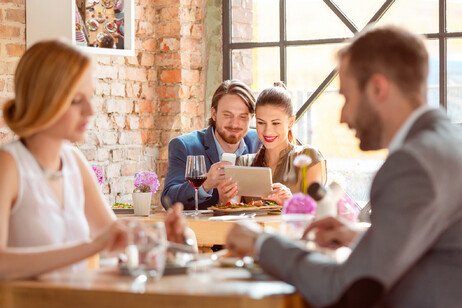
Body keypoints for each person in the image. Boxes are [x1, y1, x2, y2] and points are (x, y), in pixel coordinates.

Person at [226, 26, 462, 307]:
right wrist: (361, 235)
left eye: (347, 97)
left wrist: (261, 243)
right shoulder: (447, 143)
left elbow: (343, 287)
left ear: (378, 88)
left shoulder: (411, 165)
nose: (343, 116)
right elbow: (438, 242)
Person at [0, 39, 188, 281]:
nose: (90, 110)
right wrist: (92, 246)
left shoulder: (74, 162)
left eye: (90, 97)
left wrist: (162, 239)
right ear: (44, 99)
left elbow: (115, 237)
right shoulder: (8, 165)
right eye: (77, 99)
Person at [218, 81, 326, 205]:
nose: (267, 131)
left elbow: (319, 212)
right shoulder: (244, 163)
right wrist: (224, 199)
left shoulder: (309, 156)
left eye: (275, 123)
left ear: (291, 122)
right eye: (261, 122)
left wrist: (290, 202)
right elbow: (232, 214)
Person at [161, 80, 262, 211]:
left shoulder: (259, 142)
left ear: (252, 117)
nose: (235, 124)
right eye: (227, 115)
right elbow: (168, 199)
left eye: (242, 117)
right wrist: (205, 184)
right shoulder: (184, 146)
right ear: (214, 114)